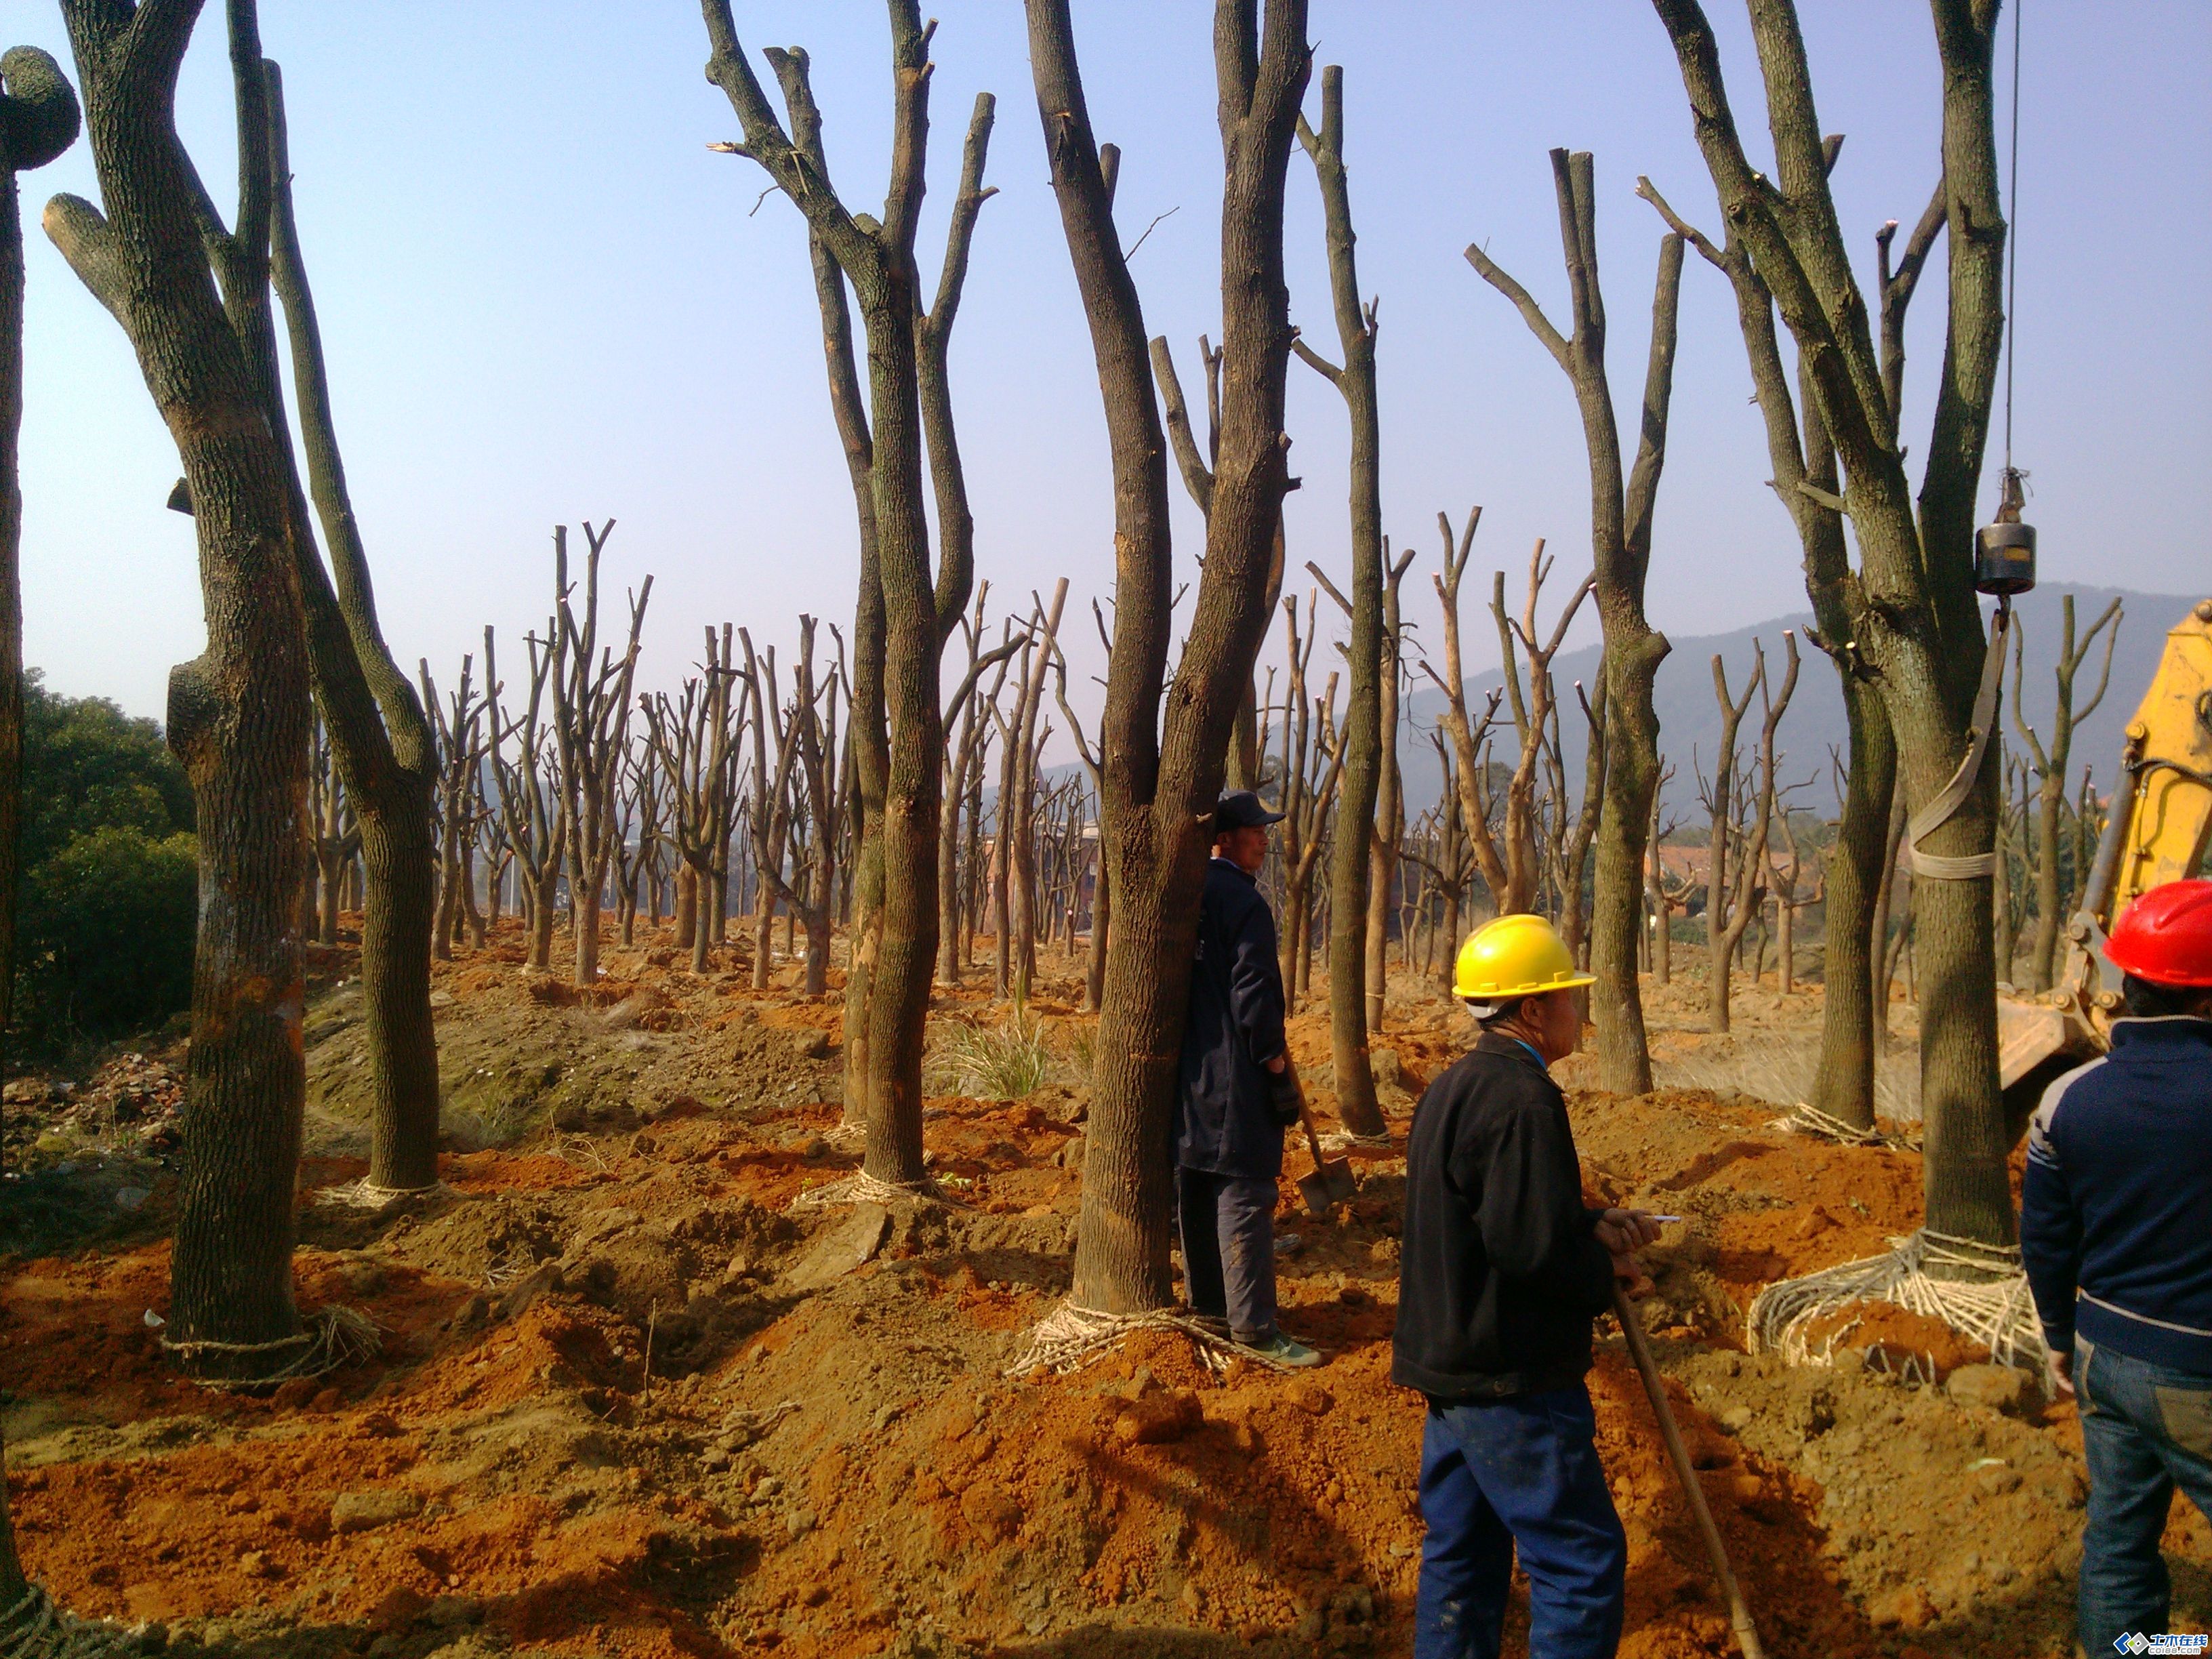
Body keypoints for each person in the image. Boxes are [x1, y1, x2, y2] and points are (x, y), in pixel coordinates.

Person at [1394, 912, 1660, 1659]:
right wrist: (1602, 1271)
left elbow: (1496, 1211)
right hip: (1513, 1381)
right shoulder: (1524, 1099)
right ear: (1533, 1010)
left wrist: (1592, 1222)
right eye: (1569, 996)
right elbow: (1526, 1247)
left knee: (1463, 1561)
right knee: (1580, 1564)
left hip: (1453, 1368)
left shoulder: (1455, 1086)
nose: (1580, 1010)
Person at [2021, 878, 2212, 1656]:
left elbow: (2046, 1239)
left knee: (2120, 1547)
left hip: (2104, 1357)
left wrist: (2059, 1338)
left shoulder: (2068, 1097)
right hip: (2196, 1369)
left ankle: (2147, 1654)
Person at [1174, 789, 1320, 1368]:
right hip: (1237, 1074)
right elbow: (1255, 998)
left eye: (1265, 830)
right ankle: (1256, 1331)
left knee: (1198, 1188)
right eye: (1255, 831)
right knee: (1246, 1193)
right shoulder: (1246, 904)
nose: (1265, 839)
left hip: (1189, 1077)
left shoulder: (1189, 892)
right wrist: (1276, 1066)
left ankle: (1208, 1310)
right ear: (1224, 839)